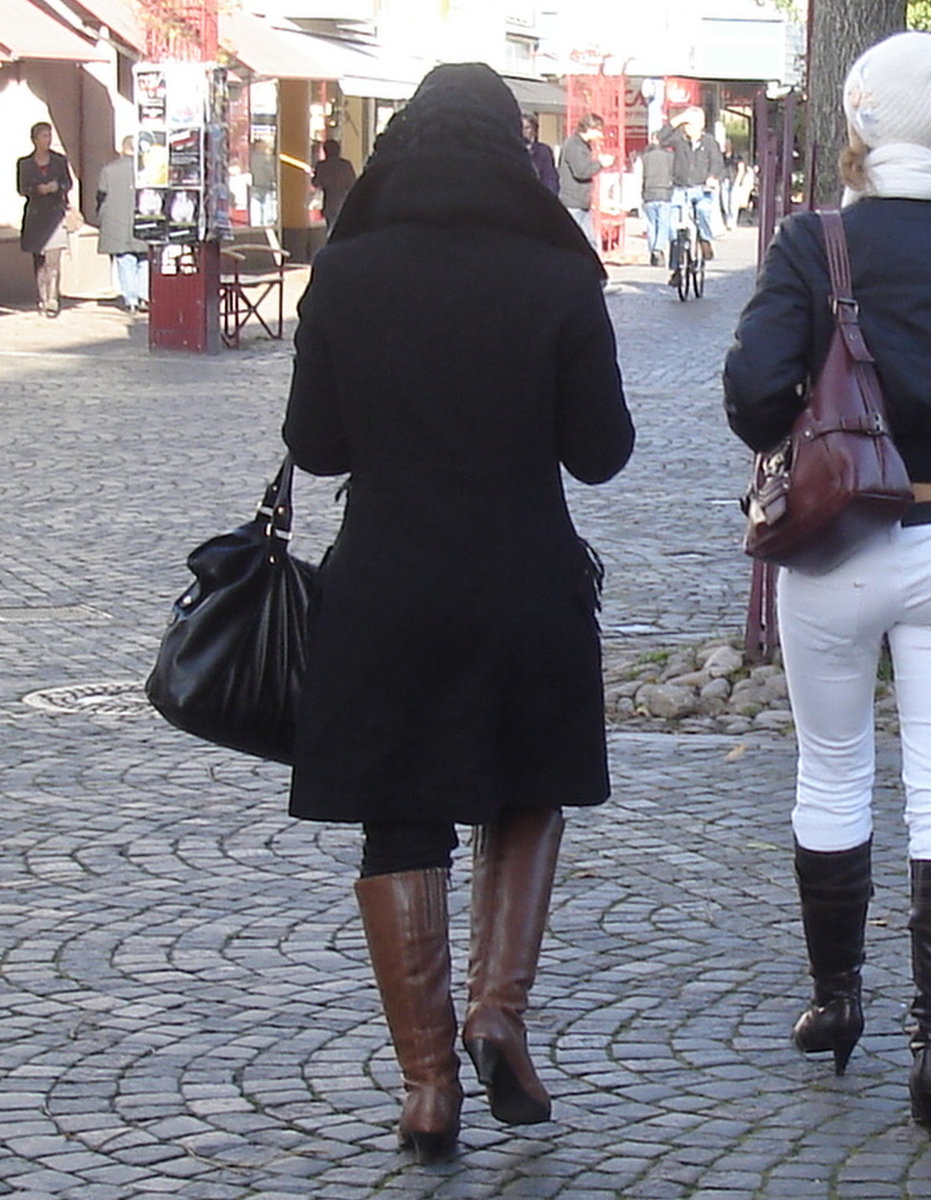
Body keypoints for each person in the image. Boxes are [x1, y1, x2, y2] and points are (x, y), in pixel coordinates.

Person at [282, 61, 634, 1163]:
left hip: (387, 581)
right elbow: (602, 452)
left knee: (400, 813)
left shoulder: (345, 275)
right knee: (527, 785)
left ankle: (428, 1089)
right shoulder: (556, 278)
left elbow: (316, 447)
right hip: (523, 576)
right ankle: (497, 1013)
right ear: (511, 156)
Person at [723, 31, 931, 1137]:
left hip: (839, 543)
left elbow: (754, 394)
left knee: (833, 771)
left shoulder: (818, 242)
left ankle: (836, 1000)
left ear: (854, 124)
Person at [17, 122, 73, 318]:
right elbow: (22, 188)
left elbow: (68, 183)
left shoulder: (59, 161)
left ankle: (52, 299)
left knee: (54, 261)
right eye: (43, 136)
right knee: (39, 263)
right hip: (35, 217)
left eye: (49, 136)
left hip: (55, 215)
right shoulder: (24, 163)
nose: (47, 140)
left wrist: (56, 186)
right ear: (34, 139)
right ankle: (41, 297)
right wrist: (37, 189)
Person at [665, 106, 723, 267]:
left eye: (693, 123)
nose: (689, 127)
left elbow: (717, 163)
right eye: (687, 123)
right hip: (680, 188)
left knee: (703, 211)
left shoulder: (709, 142)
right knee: (673, 226)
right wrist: (677, 120)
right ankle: (676, 268)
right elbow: (659, 139)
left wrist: (712, 177)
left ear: (701, 125)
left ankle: (705, 240)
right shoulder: (678, 139)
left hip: (701, 187)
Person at [95, 135, 147, 312]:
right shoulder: (147, 170)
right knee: (144, 260)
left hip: (116, 222)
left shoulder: (109, 170)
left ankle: (131, 299)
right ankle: (144, 295)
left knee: (125, 260)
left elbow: (101, 197)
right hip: (143, 221)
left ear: (122, 149)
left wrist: (101, 219)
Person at [557, 113, 609, 248]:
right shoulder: (574, 145)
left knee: (589, 242)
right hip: (573, 202)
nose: (600, 134)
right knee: (577, 242)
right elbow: (581, 171)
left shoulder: (582, 144)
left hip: (581, 202)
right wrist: (601, 164)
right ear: (589, 128)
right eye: (598, 130)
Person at [639, 127, 674, 268]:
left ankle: (654, 252)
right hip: (665, 192)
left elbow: (640, 176)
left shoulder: (644, 157)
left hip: (649, 193)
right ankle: (658, 249)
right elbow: (673, 174)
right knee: (663, 224)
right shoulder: (670, 157)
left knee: (651, 225)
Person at [311, 139, 357, 230]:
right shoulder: (346, 165)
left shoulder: (322, 166)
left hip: (329, 204)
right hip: (345, 203)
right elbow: (353, 182)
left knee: (331, 230)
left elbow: (316, 183)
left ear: (325, 151)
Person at [523, 113, 558, 194]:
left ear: (534, 130)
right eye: (521, 127)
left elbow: (550, 178)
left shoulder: (543, 151)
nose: (523, 131)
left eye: (527, 128)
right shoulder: (512, 150)